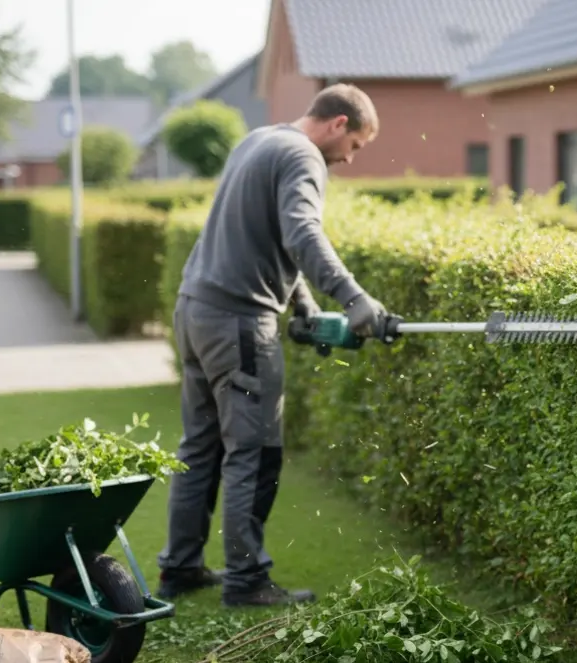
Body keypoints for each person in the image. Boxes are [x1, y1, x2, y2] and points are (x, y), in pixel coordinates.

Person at [155, 84, 397, 607]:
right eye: (354, 145)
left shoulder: (259, 141)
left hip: (195, 309)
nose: (349, 158)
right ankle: (246, 582)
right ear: (338, 123)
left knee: (199, 449)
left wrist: (305, 305)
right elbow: (302, 234)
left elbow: (266, 239)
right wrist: (354, 298)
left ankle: (180, 568)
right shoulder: (304, 156)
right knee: (255, 454)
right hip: (239, 324)